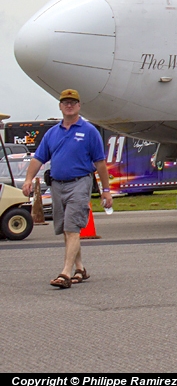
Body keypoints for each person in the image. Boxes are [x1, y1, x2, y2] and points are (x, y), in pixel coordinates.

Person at [19, 89, 113, 289]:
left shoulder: (89, 132)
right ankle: (80, 268)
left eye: (73, 102)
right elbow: (38, 158)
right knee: (66, 229)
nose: (69, 105)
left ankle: (65, 273)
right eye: (65, 102)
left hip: (79, 183)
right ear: (60, 106)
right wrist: (28, 179)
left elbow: (100, 163)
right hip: (57, 185)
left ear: (79, 106)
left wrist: (106, 190)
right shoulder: (53, 133)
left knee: (72, 228)